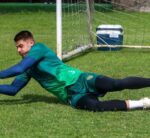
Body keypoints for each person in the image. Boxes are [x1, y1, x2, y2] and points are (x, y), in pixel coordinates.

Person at [0, 30, 150, 112]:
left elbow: (19, 68)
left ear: (31, 43)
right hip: (71, 95)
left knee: (115, 84)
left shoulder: (39, 48)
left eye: (21, 46)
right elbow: (13, 89)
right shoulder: (27, 68)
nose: (19, 50)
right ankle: (142, 103)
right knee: (96, 107)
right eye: (17, 48)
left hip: (81, 79)